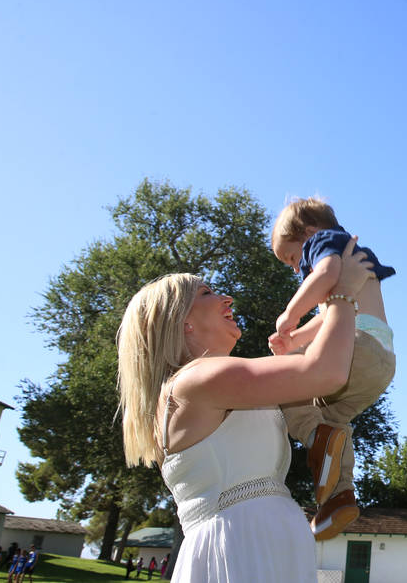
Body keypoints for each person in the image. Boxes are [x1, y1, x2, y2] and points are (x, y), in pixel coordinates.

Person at [117, 238, 374, 582]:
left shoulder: (204, 384)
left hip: (259, 539)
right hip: (238, 546)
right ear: (183, 323)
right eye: (208, 293)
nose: (227, 298)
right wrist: (343, 293)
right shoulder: (197, 379)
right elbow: (327, 373)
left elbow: (316, 373)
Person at [268, 197, 397, 541]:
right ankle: (339, 497)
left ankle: (314, 438)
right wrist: (294, 339)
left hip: (356, 348)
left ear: (308, 233)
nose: (297, 269)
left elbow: (324, 274)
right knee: (334, 423)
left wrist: (290, 313)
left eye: (293, 258)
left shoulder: (325, 244)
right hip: (377, 363)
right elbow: (328, 316)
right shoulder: (347, 255)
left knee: (279, 385)